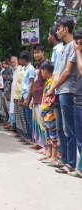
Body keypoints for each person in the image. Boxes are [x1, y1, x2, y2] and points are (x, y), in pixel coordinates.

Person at [45, 17, 78, 173]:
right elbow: (57, 71)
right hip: (58, 92)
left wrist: (53, 88)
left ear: (65, 29)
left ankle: (71, 163)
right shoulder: (63, 48)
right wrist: (51, 89)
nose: (57, 31)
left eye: (58, 28)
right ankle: (63, 158)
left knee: (68, 128)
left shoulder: (73, 46)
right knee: (59, 128)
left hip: (67, 92)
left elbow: (67, 71)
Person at [38, 61, 59, 165]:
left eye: (42, 71)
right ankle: (49, 153)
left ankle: (54, 156)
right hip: (45, 114)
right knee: (47, 134)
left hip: (50, 113)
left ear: (45, 71)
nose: (41, 73)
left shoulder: (52, 83)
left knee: (53, 135)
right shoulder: (48, 81)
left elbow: (51, 99)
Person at [29, 44, 48, 152]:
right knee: (36, 122)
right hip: (35, 97)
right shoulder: (36, 66)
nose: (36, 54)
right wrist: (32, 99)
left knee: (43, 122)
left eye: (38, 52)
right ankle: (39, 143)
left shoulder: (46, 64)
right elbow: (35, 82)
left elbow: (47, 81)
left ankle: (45, 146)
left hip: (43, 97)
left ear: (43, 52)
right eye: (34, 53)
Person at [71, 27, 82, 179]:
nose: (78, 43)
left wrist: (78, 53)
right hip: (78, 100)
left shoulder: (79, 55)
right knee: (79, 137)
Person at [19, 50, 35, 145]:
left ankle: (30, 137)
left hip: (28, 96)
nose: (20, 62)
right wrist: (22, 97)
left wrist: (27, 98)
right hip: (24, 95)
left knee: (29, 118)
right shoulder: (25, 69)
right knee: (25, 117)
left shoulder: (31, 69)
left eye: (20, 60)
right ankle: (27, 135)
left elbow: (31, 83)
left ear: (24, 59)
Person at [13, 56, 27, 139]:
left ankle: (25, 133)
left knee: (22, 115)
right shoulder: (20, 69)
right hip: (17, 94)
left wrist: (21, 96)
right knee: (18, 114)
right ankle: (20, 132)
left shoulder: (26, 69)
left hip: (21, 94)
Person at [8, 56, 21, 131]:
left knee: (15, 109)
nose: (12, 64)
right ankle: (12, 124)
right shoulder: (13, 70)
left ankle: (15, 126)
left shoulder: (19, 69)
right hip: (13, 92)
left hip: (18, 92)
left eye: (14, 62)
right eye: (11, 62)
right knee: (12, 108)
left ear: (17, 61)